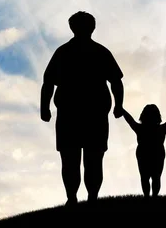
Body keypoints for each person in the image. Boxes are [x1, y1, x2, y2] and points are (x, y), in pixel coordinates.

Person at [40, 11, 125, 205]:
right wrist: (44, 107)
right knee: (77, 159)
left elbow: (116, 81)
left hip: (89, 113)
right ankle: (75, 198)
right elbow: (48, 83)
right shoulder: (75, 52)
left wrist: (119, 104)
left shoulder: (73, 52)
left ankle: (86, 198)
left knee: (87, 158)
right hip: (75, 113)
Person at [122, 104, 166, 198]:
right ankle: (153, 197)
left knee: (146, 178)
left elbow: (130, 120)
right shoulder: (161, 129)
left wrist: (122, 110)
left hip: (145, 155)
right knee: (155, 177)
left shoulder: (141, 129)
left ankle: (148, 196)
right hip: (154, 155)